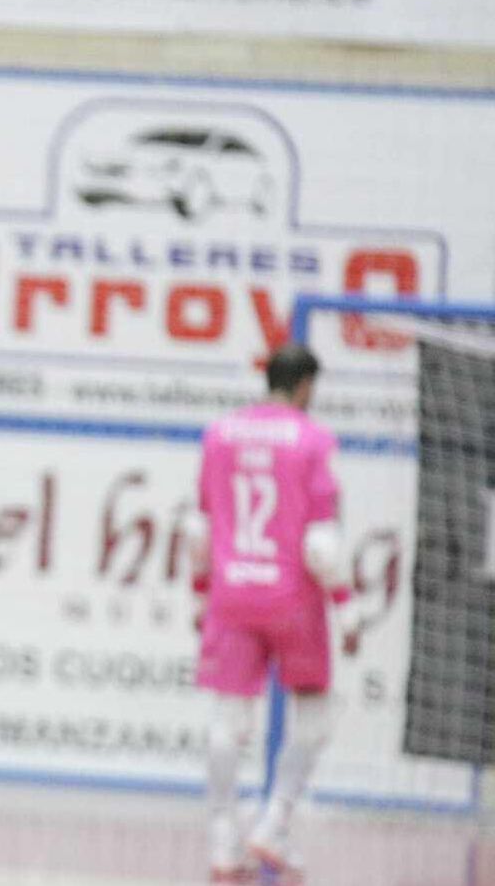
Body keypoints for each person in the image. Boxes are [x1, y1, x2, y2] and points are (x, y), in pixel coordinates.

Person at [191, 343, 360, 883]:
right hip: (293, 602)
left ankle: (222, 843)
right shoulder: (313, 440)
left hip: (232, 596)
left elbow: (199, 529)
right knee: (315, 713)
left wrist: (201, 594)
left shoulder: (220, 433)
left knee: (226, 723)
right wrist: (347, 609)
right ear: (307, 385)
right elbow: (322, 546)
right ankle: (274, 823)